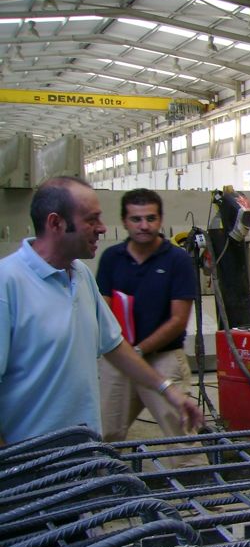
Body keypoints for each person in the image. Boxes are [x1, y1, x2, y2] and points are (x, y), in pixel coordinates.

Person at [0, 177, 202, 447]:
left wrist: (169, 392)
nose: (102, 228)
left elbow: (115, 345)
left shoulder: (81, 275)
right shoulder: (7, 283)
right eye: (91, 220)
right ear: (55, 223)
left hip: (82, 451)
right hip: (32, 461)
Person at [97, 189, 199, 442]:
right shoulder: (112, 259)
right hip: (118, 360)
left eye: (151, 218)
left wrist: (139, 351)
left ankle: (195, 480)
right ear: (124, 221)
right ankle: (104, 480)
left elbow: (178, 321)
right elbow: (103, 309)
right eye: (136, 219)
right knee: (103, 437)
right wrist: (122, 352)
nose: (144, 226)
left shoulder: (178, 260)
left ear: (160, 219)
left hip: (163, 359)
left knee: (182, 438)